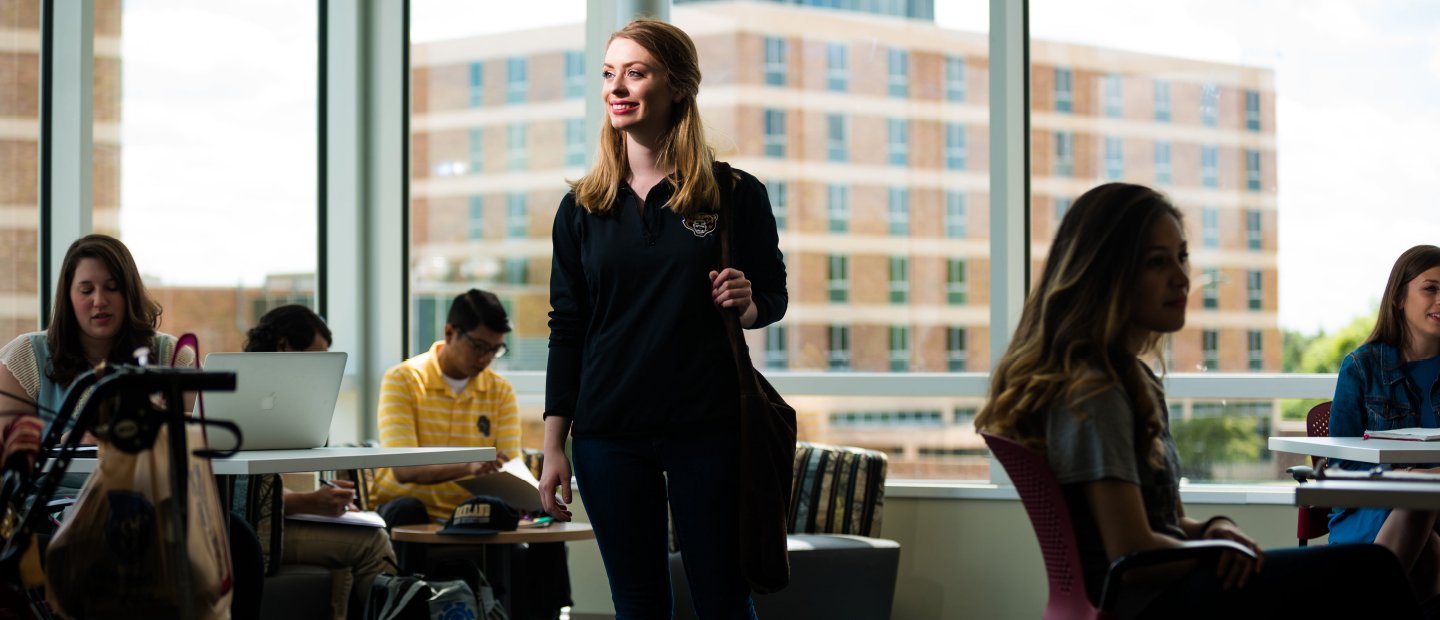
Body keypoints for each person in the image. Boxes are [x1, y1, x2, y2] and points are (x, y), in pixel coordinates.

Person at [973, 183, 1421, 618]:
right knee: (1371, 570)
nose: (1181, 277)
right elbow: (1130, 551)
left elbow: (1164, 523)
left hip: (1165, 588)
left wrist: (1212, 529)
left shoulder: (1128, 380)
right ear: (1106, 273)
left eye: (1181, 257)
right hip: (1154, 600)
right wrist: (1216, 552)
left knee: (1368, 570)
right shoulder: (1095, 391)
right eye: (1155, 262)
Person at [539, 17, 787, 619]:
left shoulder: (734, 194)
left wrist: (745, 298)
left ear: (677, 86)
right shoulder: (581, 208)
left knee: (724, 598)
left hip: (709, 427)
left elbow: (772, 300)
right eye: (608, 74)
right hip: (607, 433)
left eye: (635, 72)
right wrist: (553, 446)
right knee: (638, 603)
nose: (616, 88)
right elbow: (567, 328)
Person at [0, 234, 265, 619]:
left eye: (112, 288)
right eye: (86, 289)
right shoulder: (28, 355)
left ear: (130, 293)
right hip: (48, 505)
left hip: (151, 502)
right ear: (67, 296)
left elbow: (198, 439)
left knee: (238, 538)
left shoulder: (169, 356)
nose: (99, 301)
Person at [238, 304, 396, 620]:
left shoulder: (277, 399)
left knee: (349, 558)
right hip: (252, 533)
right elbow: (240, 496)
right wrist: (310, 502)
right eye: (317, 358)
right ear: (284, 346)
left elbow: (273, 482)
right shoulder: (247, 398)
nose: (322, 372)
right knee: (372, 543)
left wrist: (323, 499)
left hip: (275, 524)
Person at [1328, 245, 1440, 601]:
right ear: (1398, 297)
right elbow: (1342, 468)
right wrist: (1408, 476)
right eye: (1431, 288)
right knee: (1422, 510)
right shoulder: (1361, 367)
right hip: (1369, 509)